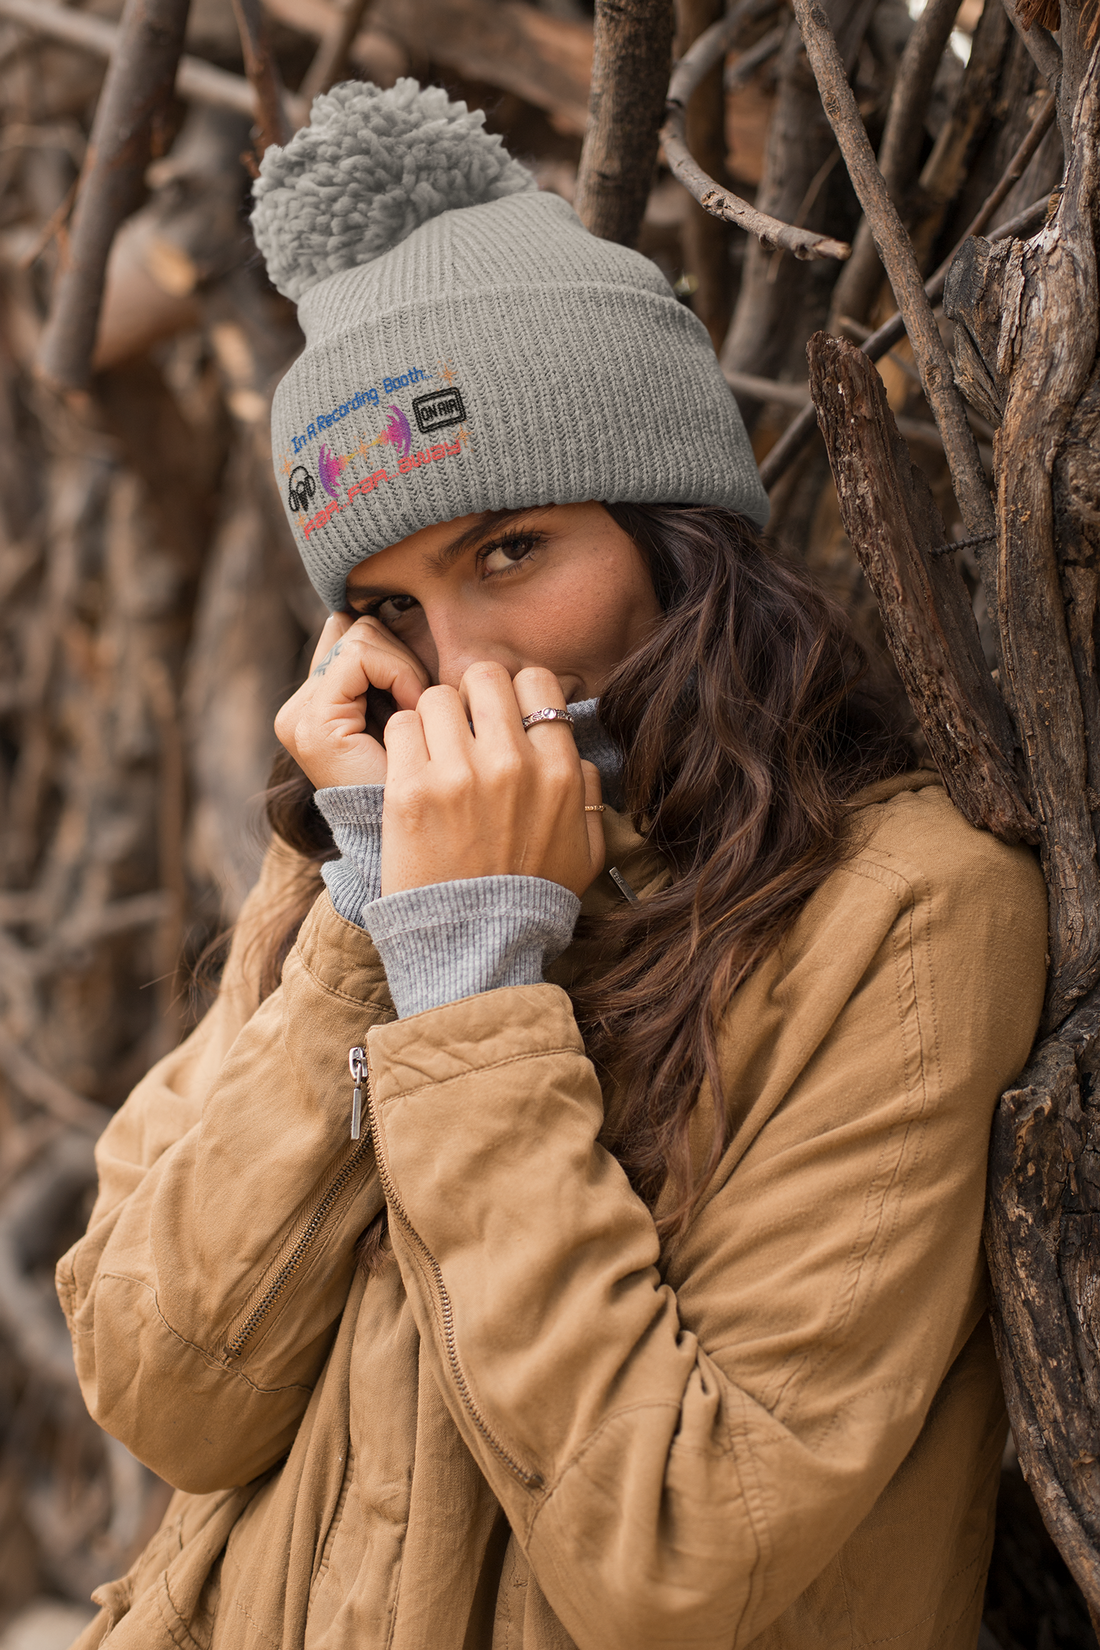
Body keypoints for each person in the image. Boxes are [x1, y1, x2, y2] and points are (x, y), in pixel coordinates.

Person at [57, 79, 1048, 1650]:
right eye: (388, 605)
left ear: (673, 538)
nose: (460, 662)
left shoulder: (907, 915)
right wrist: (369, 932)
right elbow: (162, 1385)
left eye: (510, 551)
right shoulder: (352, 866)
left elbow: (675, 1551)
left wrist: (471, 994)